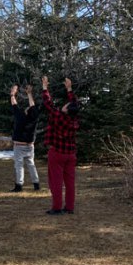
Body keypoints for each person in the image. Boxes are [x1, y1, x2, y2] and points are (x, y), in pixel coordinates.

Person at [41, 76, 80, 215]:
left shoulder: (58, 116)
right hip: (70, 154)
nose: (65, 104)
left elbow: (48, 103)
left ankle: (56, 207)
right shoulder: (74, 119)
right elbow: (74, 103)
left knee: (56, 182)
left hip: (57, 153)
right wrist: (69, 88)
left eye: (66, 105)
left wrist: (45, 87)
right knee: (70, 182)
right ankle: (69, 207)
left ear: (66, 109)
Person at [10, 84, 40, 192]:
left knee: (19, 166)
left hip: (19, 146)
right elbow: (33, 106)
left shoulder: (21, 117)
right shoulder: (34, 119)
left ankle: (19, 185)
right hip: (30, 146)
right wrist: (29, 94)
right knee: (31, 165)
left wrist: (12, 94)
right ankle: (36, 184)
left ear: (26, 112)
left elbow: (14, 105)